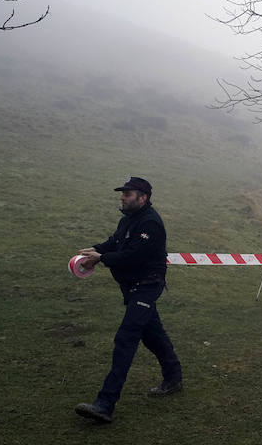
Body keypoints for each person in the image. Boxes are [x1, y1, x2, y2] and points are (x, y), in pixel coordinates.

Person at [74, 177, 182, 424]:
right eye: (122, 193)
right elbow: (114, 243)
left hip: (146, 286)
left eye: (128, 193)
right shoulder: (128, 220)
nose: (122, 197)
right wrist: (93, 250)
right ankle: (173, 377)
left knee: (126, 338)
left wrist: (102, 258)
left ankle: (105, 403)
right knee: (151, 333)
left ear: (142, 197)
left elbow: (132, 256)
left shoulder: (150, 223)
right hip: (132, 287)